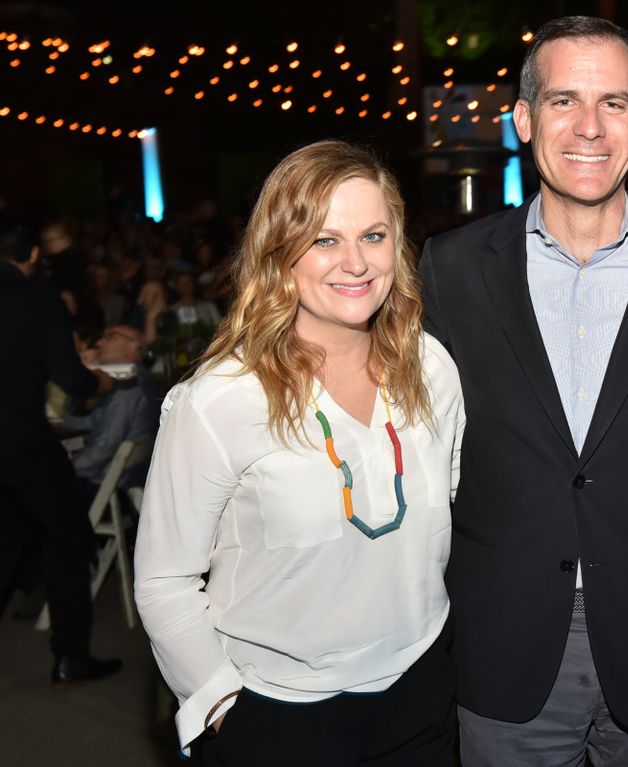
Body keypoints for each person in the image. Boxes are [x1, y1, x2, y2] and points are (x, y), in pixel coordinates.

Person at [418, 16, 628, 765]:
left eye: (614, 103)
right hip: (505, 641)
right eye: (563, 101)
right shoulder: (451, 268)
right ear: (524, 118)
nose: (590, 127)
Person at [134, 141, 464, 765]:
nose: (356, 262)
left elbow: (446, 509)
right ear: (280, 253)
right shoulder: (220, 401)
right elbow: (163, 579)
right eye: (324, 240)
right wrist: (221, 708)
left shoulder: (431, 367)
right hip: (279, 715)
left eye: (373, 235)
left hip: (422, 694)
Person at [0, 223, 120, 684]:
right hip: (22, 442)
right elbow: (71, 377)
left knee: (6, 537)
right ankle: (72, 656)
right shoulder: (37, 299)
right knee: (69, 539)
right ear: (32, 253)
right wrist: (102, 384)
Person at [66, 325, 158, 495]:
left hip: (108, 490)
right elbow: (77, 422)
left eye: (110, 337)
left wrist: (66, 469)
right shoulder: (134, 383)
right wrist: (82, 380)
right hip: (119, 485)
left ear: (134, 346)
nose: (99, 342)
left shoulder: (130, 387)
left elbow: (105, 445)